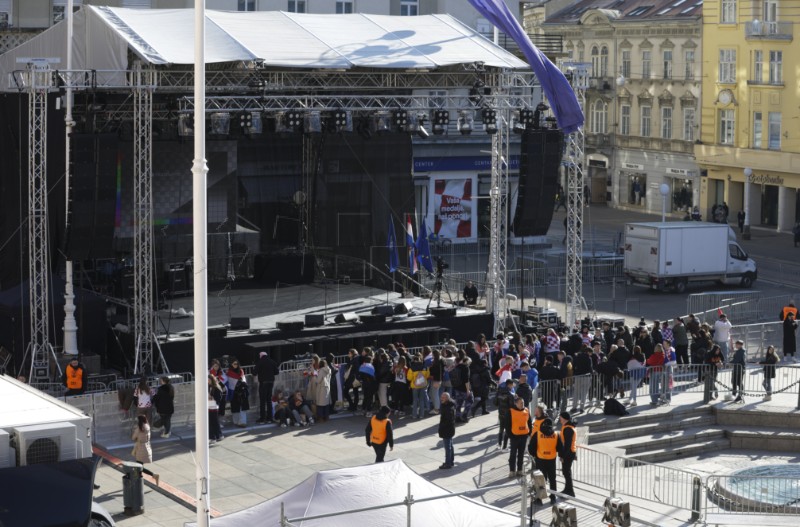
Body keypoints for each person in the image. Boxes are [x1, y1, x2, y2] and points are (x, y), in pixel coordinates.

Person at [528, 417, 558, 505]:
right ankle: (553, 497)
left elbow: (531, 447)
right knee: (552, 479)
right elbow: (560, 447)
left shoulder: (537, 434)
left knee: (540, 479)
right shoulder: (556, 434)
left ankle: (539, 499)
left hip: (540, 459)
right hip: (551, 460)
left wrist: (534, 455)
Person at [131, 415, 159, 485]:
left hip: (141, 448)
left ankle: (153, 475)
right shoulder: (147, 426)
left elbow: (133, 437)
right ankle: (137, 479)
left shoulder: (139, 429)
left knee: (139, 466)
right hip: (147, 446)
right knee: (139, 466)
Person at [507, 397, 532, 478]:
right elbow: (507, 425)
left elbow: (529, 422)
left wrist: (529, 433)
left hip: (524, 436)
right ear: (516, 403)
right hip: (515, 436)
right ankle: (512, 471)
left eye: (523, 403)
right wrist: (510, 436)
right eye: (520, 403)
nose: (522, 404)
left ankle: (520, 470)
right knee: (513, 454)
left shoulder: (526, 410)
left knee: (521, 454)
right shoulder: (510, 411)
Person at [255, 350, 279, 424]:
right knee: (269, 400)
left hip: (263, 383)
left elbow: (254, 372)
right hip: (271, 383)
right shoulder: (272, 362)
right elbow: (277, 372)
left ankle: (262, 418)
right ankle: (270, 418)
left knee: (262, 401)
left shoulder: (260, 362)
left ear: (261, 356)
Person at [557, 411, 577, 497]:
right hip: (570, 452)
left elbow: (567, 445)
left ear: (564, 419)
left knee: (566, 472)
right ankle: (567, 489)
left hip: (568, 453)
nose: (559, 420)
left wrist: (562, 456)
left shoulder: (568, 429)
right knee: (566, 472)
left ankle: (570, 491)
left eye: (560, 418)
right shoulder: (568, 427)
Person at [407, 354, 430, 419]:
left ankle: (414, 415)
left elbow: (409, 378)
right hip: (423, 385)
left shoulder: (411, 368)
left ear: (414, 360)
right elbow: (427, 375)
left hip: (415, 386)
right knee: (421, 400)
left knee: (415, 400)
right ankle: (421, 415)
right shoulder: (425, 366)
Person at [438, 392, 456, 469]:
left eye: (444, 397)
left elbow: (447, 420)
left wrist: (442, 427)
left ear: (447, 398)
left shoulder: (448, 408)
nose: (442, 398)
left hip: (447, 429)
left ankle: (448, 463)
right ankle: (450, 462)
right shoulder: (447, 405)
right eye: (441, 396)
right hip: (450, 429)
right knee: (450, 446)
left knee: (447, 447)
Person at [495, 378, 515, 450]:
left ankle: (499, 444)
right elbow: (512, 406)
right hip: (508, 414)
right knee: (507, 430)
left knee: (501, 429)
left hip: (500, 413)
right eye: (512, 385)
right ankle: (504, 446)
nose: (513, 386)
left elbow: (495, 403)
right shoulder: (511, 394)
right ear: (510, 385)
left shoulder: (499, 392)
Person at [208, 375, 224, 441]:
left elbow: (218, 398)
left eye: (209, 380)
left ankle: (217, 436)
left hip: (214, 407)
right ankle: (214, 436)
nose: (208, 381)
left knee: (214, 422)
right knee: (211, 422)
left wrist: (211, 397)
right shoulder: (208, 387)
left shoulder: (216, 387)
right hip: (209, 406)